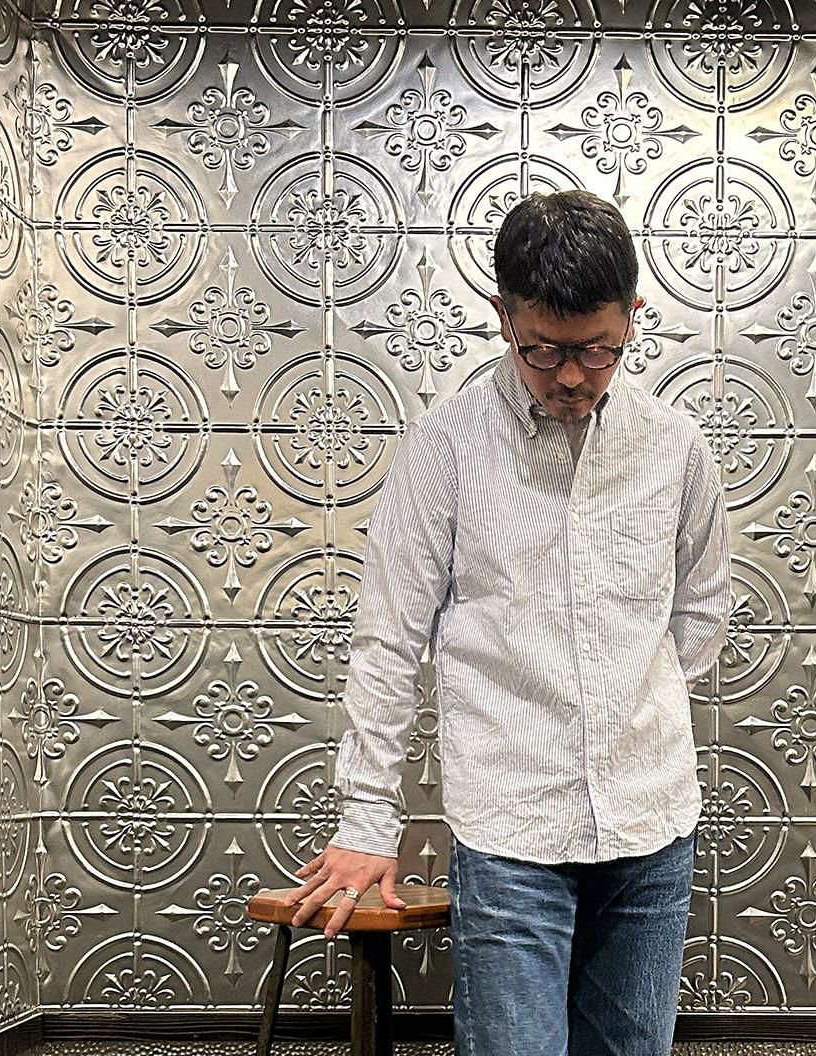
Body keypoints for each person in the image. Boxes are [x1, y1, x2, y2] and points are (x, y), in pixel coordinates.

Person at [284, 189, 732, 1055]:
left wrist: (630, 700)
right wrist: (367, 819)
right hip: (510, 829)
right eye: (543, 350)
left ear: (634, 315)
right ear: (502, 317)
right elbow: (388, 641)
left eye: (597, 349)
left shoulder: (675, 446)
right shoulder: (446, 446)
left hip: (651, 820)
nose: (571, 376)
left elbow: (701, 611)